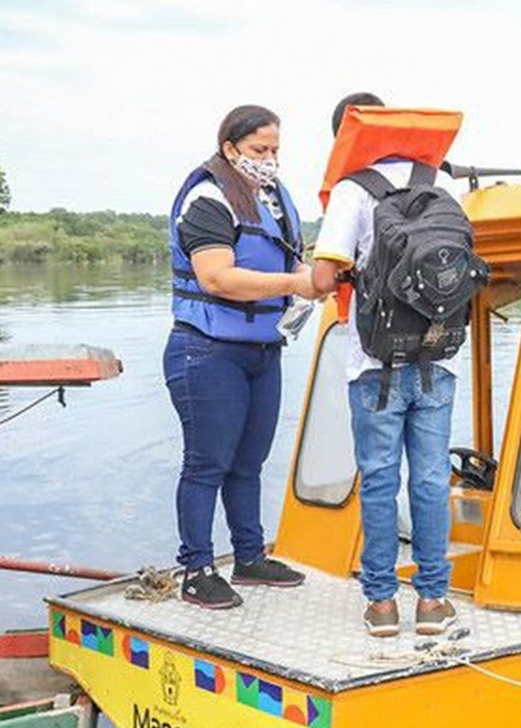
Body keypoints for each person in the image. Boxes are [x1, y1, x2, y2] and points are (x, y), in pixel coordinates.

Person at [310, 92, 463, 637]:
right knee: (429, 480)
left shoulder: (353, 190)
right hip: (436, 357)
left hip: (372, 364)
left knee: (379, 482)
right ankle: (432, 602)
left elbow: (324, 280)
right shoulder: (439, 183)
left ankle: (380, 605)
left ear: (345, 138)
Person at [164, 105, 317, 609]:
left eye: (275, 150)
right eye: (258, 150)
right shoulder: (208, 199)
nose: (268, 160)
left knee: (249, 461)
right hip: (206, 352)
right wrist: (295, 283)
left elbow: (292, 257)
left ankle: (249, 556)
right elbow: (216, 277)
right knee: (207, 462)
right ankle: (197, 569)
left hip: (261, 350)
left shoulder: (272, 199)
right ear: (230, 148)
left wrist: (315, 273)